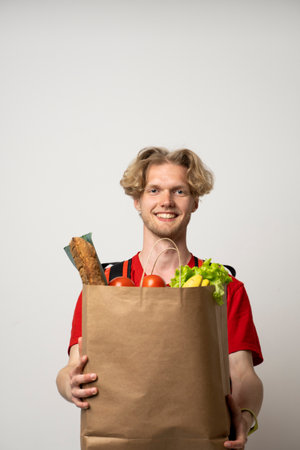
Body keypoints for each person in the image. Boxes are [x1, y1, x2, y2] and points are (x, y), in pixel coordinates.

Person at [56, 147, 263, 450]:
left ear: (194, 202)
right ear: (137, 201)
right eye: (154, 190)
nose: (166, 201)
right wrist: (68, 385)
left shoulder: (223, 285)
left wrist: (244, 417)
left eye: (179, 191)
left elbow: (242, 373)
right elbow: (72, 367)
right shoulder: (104, 286)